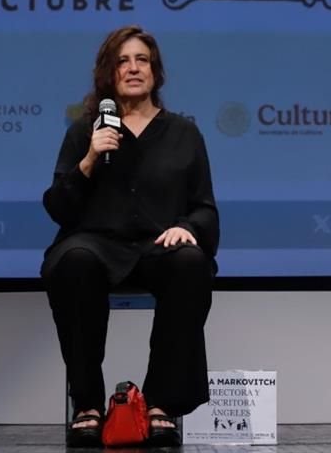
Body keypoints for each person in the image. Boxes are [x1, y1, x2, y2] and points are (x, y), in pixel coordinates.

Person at [42, 26, 219, 447]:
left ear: (155, 72)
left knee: (191, 261)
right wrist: (89, 159)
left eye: (142, 60)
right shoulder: (85, 130)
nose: (133, 68)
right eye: (123, 61)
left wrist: (187, 227)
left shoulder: (184, 133)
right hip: (96, 243)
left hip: (159, 246)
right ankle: (87, 403)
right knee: (74, 261)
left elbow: (205, 208)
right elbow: (58, 207)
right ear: (109, 73)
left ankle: (161, 404)